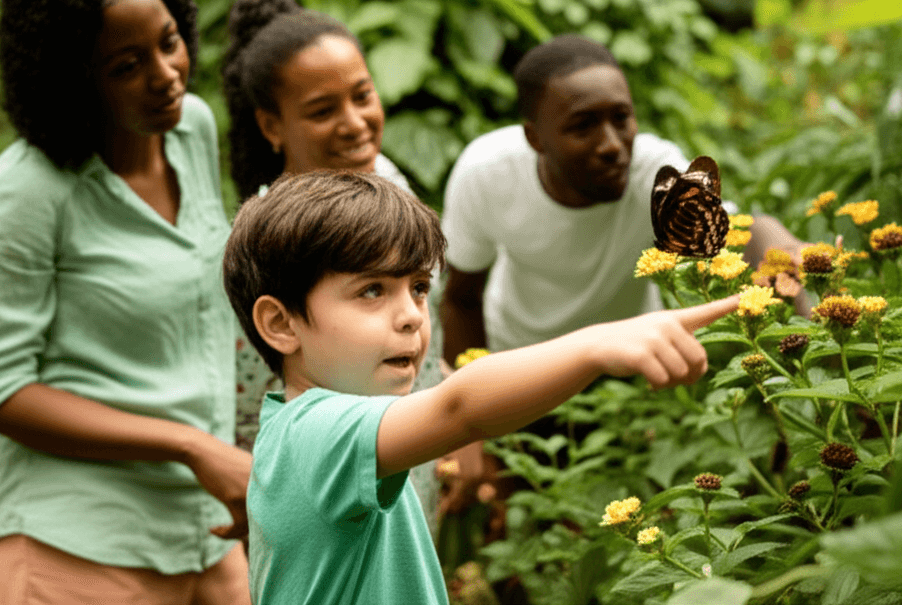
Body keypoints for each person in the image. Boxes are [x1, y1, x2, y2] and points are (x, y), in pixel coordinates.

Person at [221, 170, 739, 604]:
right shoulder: (314, 434)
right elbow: (460, 409)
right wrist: (596, 346)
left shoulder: (323, 432)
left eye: (419, 288)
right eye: (372, 290)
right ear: (281, 324)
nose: (410, 317)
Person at [0, 0, 250, 603]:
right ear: (72, 78)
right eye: (125, 65)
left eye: (169, 42)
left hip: (206, 530)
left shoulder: (190, 128)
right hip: (77, 542)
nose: (167, 74)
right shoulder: (27, 190)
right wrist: (192, 447)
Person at [220, 0, 445, 528]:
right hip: (321, 487)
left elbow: (425, 323)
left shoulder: (389, 179)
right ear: (272, 126)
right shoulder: (271, 236)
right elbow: (249, 391)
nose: (354, 122)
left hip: (416, 454)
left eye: (362, 95)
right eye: (323, 111)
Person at [440, 33, 803, 363]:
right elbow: (461, 299)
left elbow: (737, 233)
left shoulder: (653, 173)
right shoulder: (486, 173)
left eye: (621, 118)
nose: (613, 145)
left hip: (628, 367)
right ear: (535, 139)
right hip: (522, 361)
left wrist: (779, 242)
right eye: (583, 126)